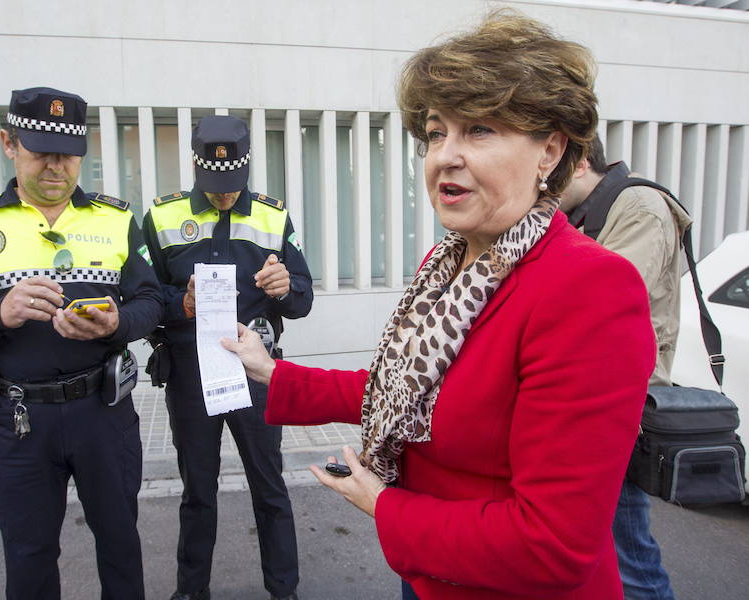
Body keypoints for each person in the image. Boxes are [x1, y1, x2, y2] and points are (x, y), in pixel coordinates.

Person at [222, 11, 656, 600]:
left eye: (479, 129)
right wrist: (271, 371)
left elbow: (552, 545)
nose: (444, 156)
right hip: (431, 574)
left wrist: (386, 506)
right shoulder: (447, 262)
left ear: (550, 150)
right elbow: (403, 387)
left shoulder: (590, 287)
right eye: (434, 132)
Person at [0, 87, 163, 599]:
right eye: (40, 150)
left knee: (120, 545)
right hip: (18, 420)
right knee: (28, 556)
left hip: (103, 415)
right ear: (8, 142)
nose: (55, 167)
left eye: (67, 154)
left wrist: (115, 324)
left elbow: (152, 302)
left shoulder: (114, 220)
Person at [143, 115, 312, 600]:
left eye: (232, 187)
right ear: (196, 167)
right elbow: (144, 297)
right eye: (215, 187)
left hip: (255, 369)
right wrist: (181, 303)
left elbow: (301, 300)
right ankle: (191, 591)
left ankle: (284, 591)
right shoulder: (162, 217)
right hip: (191, 372)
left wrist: (285, 288)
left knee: (270, 486)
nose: (224, 196)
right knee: (198, 491)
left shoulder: (273, 217)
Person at [560, 137, 691, 600]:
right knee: (603, 547)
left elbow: (600, 300)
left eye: (547, 174)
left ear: (575, 163)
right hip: (591, 397)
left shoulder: (639, 206)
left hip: (617, 404)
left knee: (627, 552)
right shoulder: (587, 212)